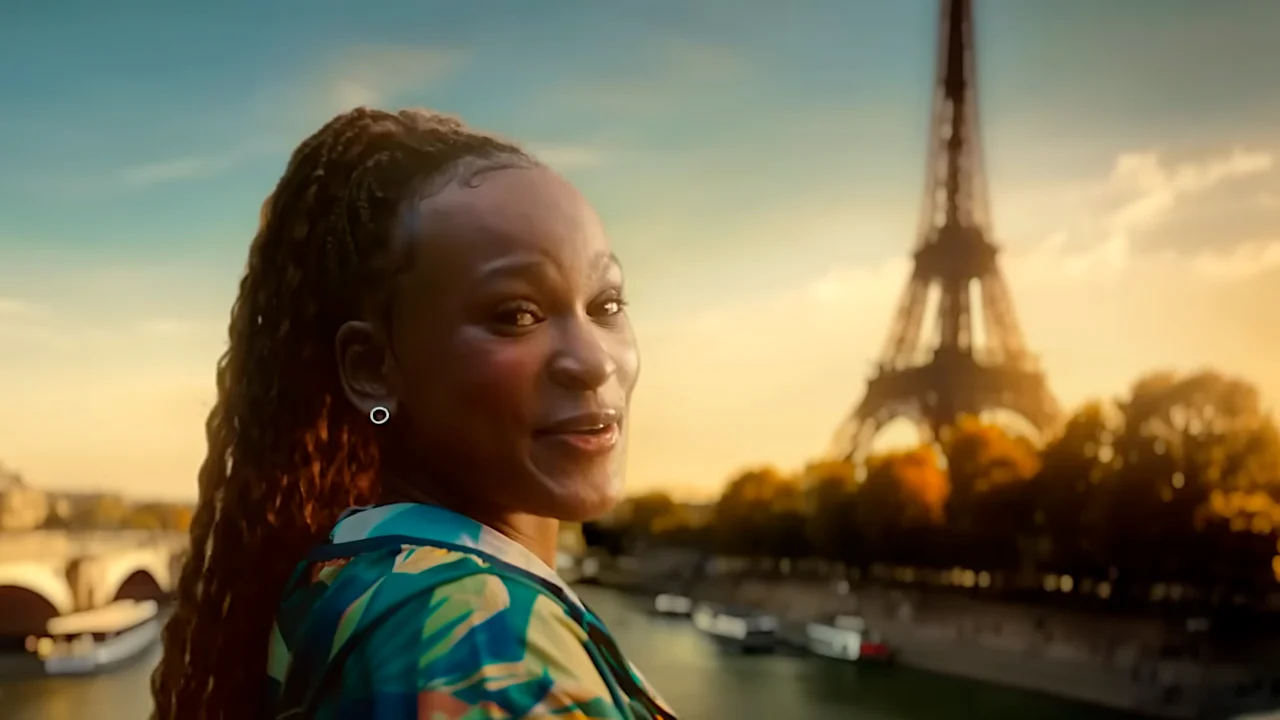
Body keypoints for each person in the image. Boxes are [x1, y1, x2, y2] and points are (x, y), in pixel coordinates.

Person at [149, 107, 674, 720]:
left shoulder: (361, 575)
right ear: (371, 367)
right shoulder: (482, 645)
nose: (593, 361)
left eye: (605, 303)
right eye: (517, 314)